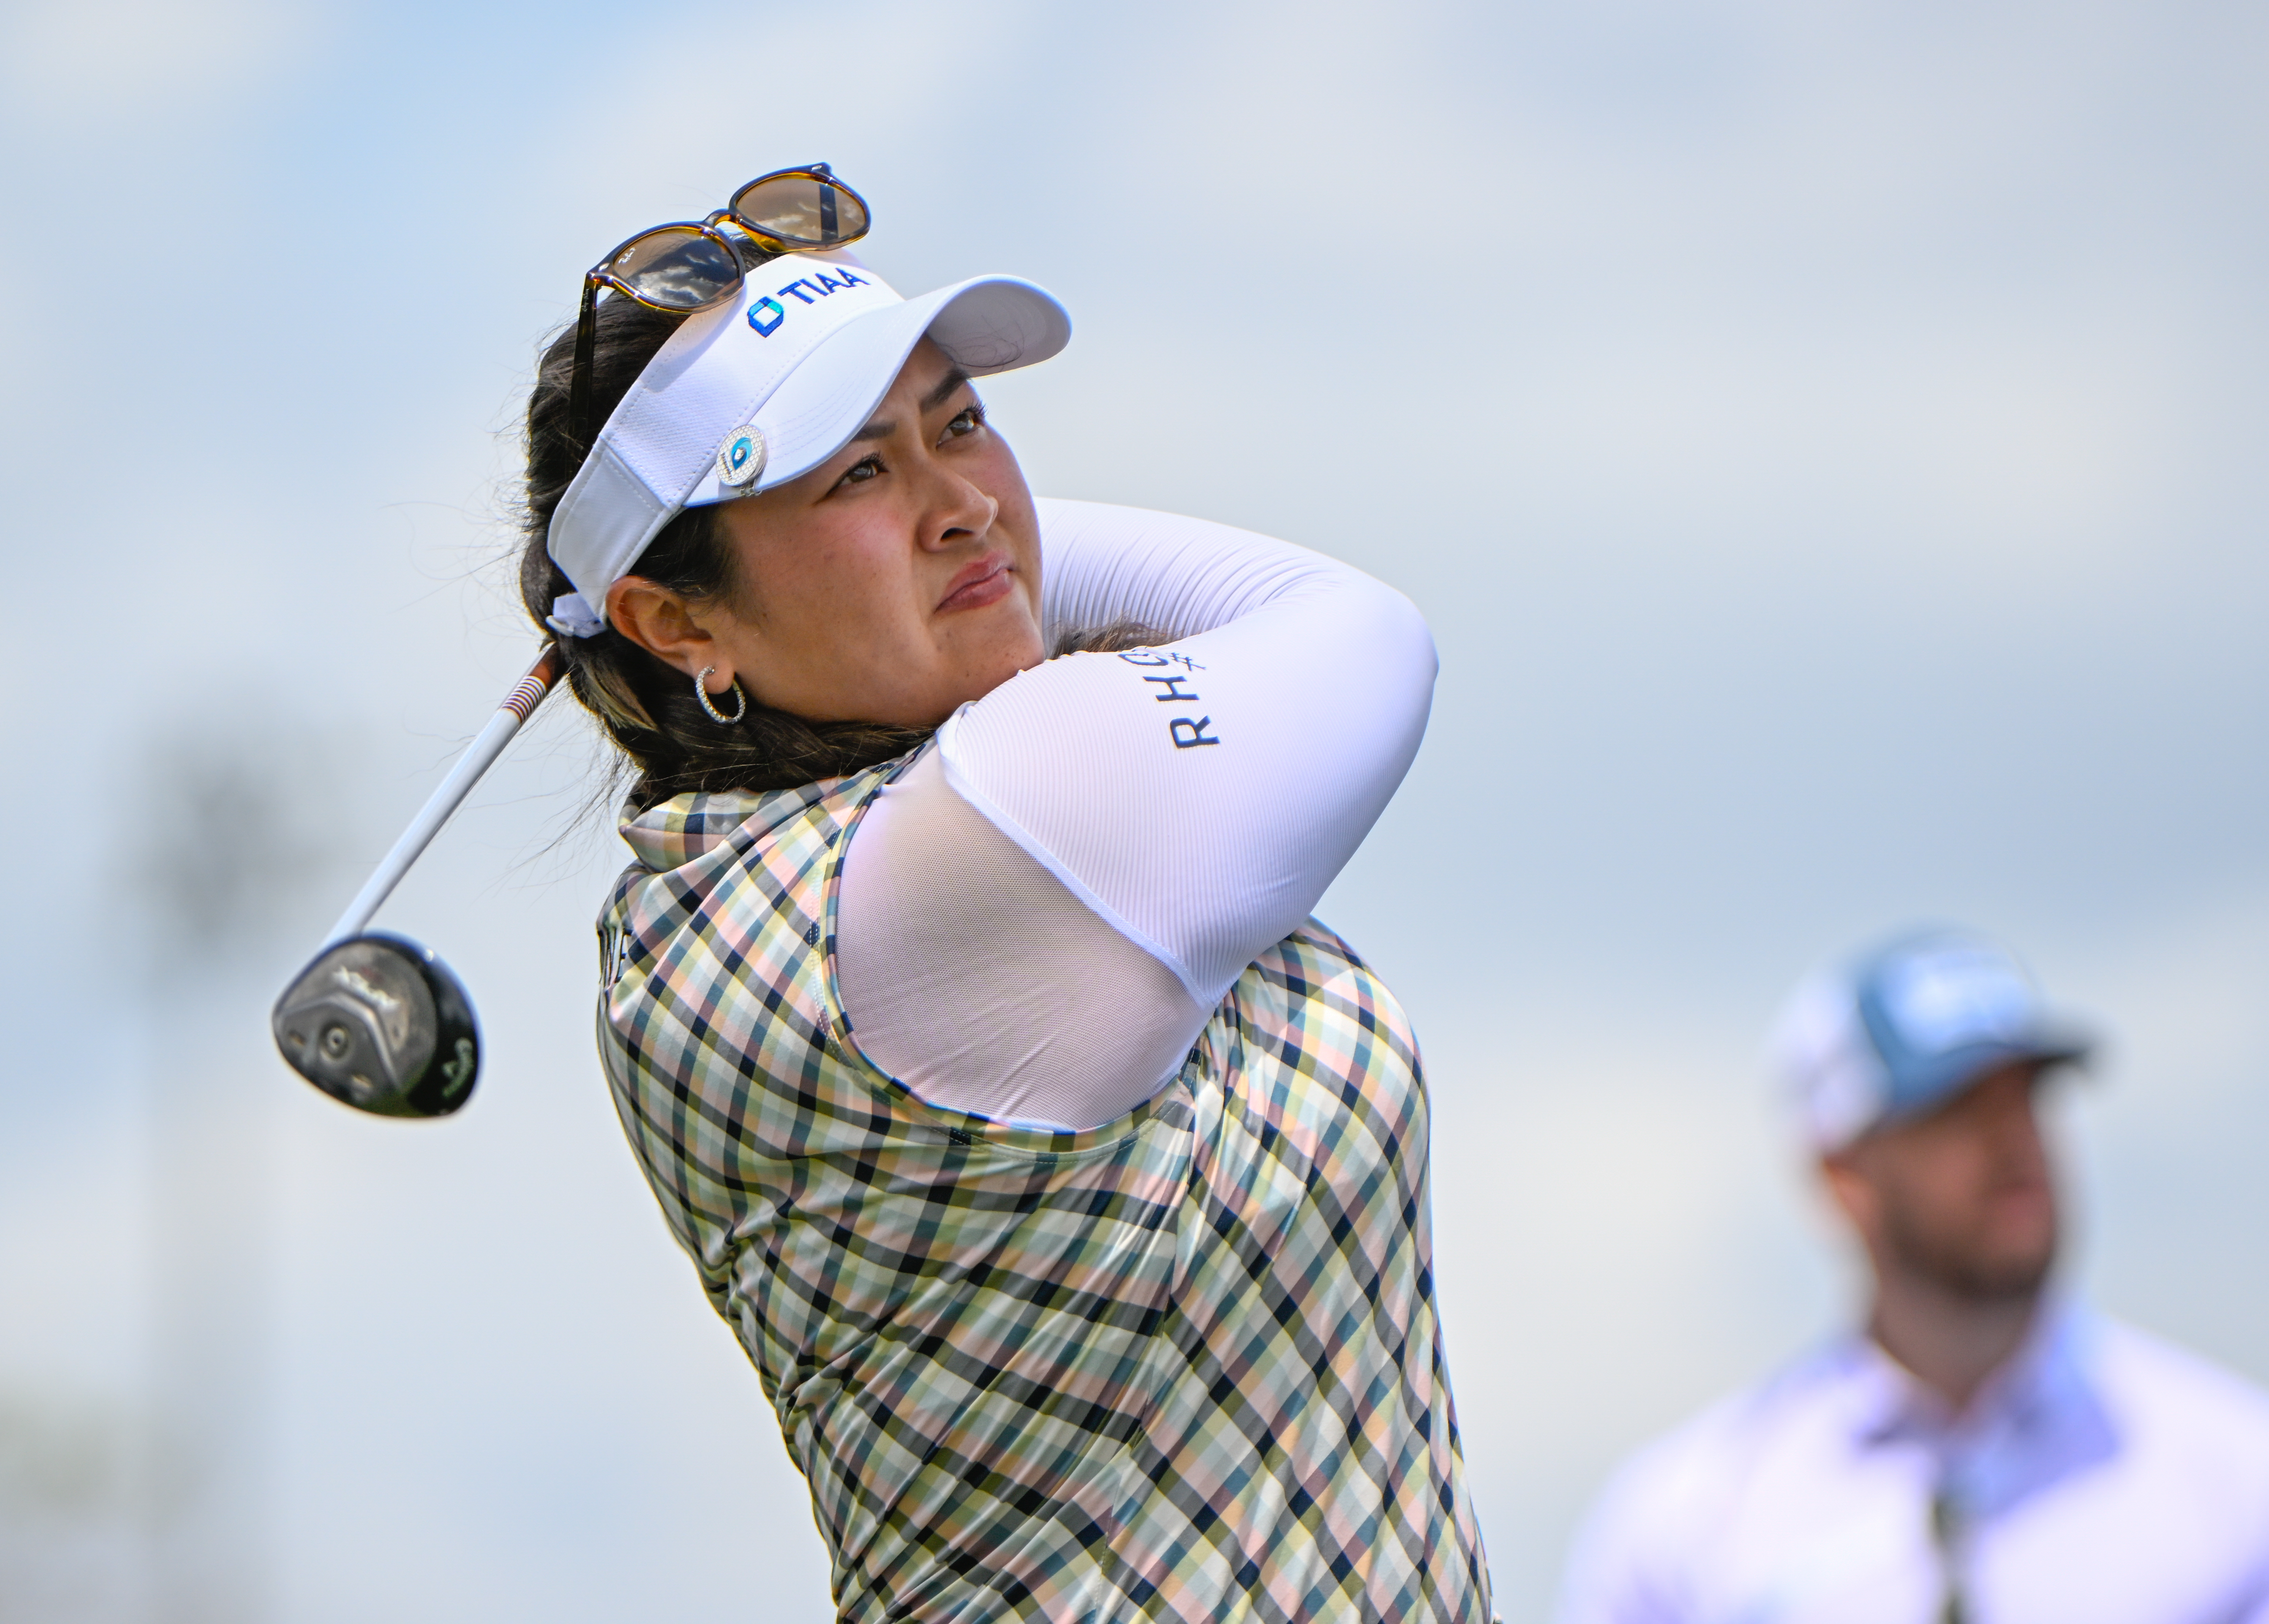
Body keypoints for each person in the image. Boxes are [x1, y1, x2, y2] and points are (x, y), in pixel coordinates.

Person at [515, 165, 1495, 1622]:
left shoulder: (703, 893)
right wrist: (982, 550)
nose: (961, 500)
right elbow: (1358, 627)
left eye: (961, 421)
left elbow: (975, 551)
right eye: (854, 472)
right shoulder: (997, 820)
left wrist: (915, 536)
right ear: (677, 621)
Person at [1555, 926, 2269, 1624]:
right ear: (1841, 1175)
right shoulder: (1685, 1524)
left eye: (2026, 1096)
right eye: (1956, 1110)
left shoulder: (2237, 1472)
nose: (2011, 1142)